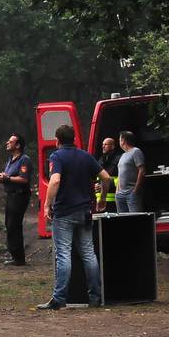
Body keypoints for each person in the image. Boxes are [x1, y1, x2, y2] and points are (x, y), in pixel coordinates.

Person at [37, 124, 112, 311]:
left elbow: (55, 180)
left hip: (64, 213)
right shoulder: (85, 156)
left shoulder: (57, 156)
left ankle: (59, 298)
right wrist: (102, 198)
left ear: (57, 140)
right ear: (74, 139)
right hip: (85, 211)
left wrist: (47, 205)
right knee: (88, 254)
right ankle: (95, 297)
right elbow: (106, 177)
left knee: (63, 255)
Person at [0, 133, 32, 266]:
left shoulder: (24, 160)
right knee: (9, 225)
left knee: (13, 225)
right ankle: (16, 256)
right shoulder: (10, 159)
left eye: (10, 141)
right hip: (11, 195)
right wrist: (1, 177)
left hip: (20, 195)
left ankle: (19, 258)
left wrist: (7, 178)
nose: (7, 143)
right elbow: (9, 176)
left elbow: (24, 179)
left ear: (18, 145)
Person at [115, 130, 146, 213]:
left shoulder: (136, 151)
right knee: (122, 218)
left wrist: (136, 189)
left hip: (131, 192)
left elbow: (142, 171)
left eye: (120, 139)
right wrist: (117, 191)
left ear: (123, 140)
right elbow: (120, 174)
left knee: (135, 217)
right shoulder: (123, 155)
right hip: (120, 194)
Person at [93, 137, 120, 205]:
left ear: (112, 146)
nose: (103, 146)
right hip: (99, 198)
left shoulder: (119, 159)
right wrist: (95, 185)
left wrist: (103, 186)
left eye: (105, 144)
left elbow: (121, 179)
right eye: (103, 144)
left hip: (113, 199)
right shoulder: (101, 159)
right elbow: (97, 176)